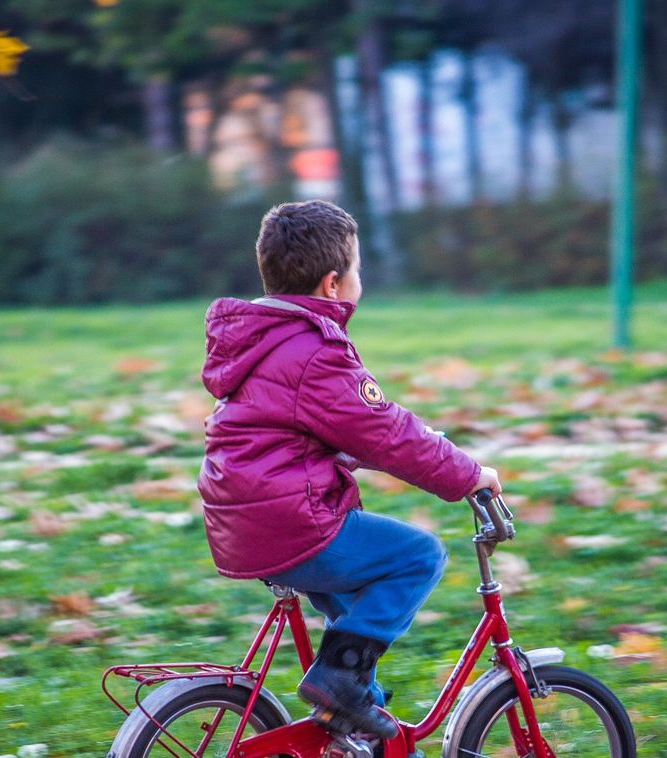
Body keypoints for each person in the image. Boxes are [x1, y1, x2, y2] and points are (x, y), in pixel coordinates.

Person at [196, 200, 500, 740]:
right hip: (297, 523)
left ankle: (357, 726)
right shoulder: (317, 351)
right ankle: (339, 684)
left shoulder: (261, 343)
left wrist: (422, 441)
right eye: (358, 269)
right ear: (334, 284)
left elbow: (315, 429)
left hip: (245, 524)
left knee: (352, 625)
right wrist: (467, 473)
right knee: (417, 555)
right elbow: (385, 433)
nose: (362, 280)